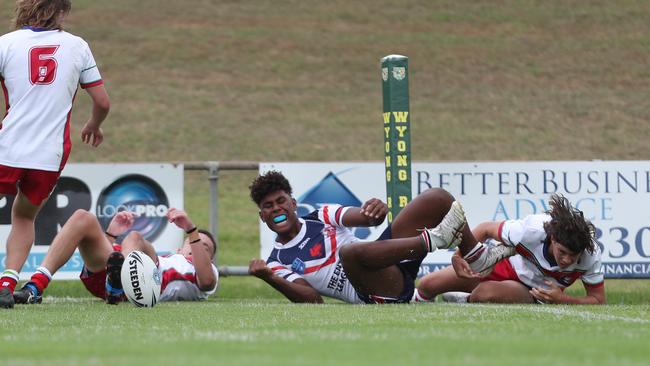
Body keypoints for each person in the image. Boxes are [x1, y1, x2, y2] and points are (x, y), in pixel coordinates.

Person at [247, 170, 509, 304]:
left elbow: (364, 217)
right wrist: (269, 278)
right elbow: (312, 300)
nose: (276, 209)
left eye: (280, 201)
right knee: (349, 253)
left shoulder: (321, 215)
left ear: (293, 203)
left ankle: (476, 256)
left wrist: (375, 211)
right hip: (377, 293)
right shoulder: (276, 261)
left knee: (437, 198)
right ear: (263, 217)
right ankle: (435, 239)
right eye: (268, 206)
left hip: (389, 262)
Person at [0, 0, 111, 308]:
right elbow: (102, 102)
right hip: (48, 155)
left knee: (20, 215)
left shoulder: (5, 44)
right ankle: (6, 284)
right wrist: (94, 124)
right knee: (24, 216)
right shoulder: (77, 46)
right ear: (61, 11)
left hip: (6, 147)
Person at [413, 194, 606, 304]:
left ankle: (468, 299)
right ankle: (426, 300)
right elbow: (485, 228)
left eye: (574, 256)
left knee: (484, 294)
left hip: (530, 290)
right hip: (503, 264)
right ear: (553, 238)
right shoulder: (531, 230)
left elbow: (598, 300)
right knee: (427, 285)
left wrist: (562, 298)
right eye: (562, 252)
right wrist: (458, 255)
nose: (567, 260)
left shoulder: (590, 254)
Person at [11, 208, 218, 305]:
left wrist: (191, 231)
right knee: (83, 218)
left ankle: (119, 280)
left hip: (148, 285)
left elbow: (207, 281)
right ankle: (35, 287)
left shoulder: (206, 272)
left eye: (206, 247)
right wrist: (110, 234)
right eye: (191, 242)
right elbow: (109, 259)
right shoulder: (171, 257)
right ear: (180, 250)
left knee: (135, 237)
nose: (197, 245)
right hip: (110, 283)